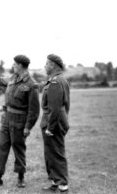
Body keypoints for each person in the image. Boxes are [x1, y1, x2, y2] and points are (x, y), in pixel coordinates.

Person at [0, 55, 40, 188]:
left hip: (19, 122)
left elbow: (34, 110)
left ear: (20, 65)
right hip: (6, 119)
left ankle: (21, 176)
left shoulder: (32, 84)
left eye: (14, 64)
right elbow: (0, 80)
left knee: (19, 149)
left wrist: (28, 127)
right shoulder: (12, 79)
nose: (13, 66)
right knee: (2, 147)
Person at [40, 54, 70, 193]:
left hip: (53, 122)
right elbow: (66, 105)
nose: (45, 66)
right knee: (50, 153)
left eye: (46, 64)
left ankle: (63, 185)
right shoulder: (58, 80)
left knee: (56, 153)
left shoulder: (56, 81)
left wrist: (51, 127)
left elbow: (56, 107)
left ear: (53, 65)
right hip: (55, 120)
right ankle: (54, 183)